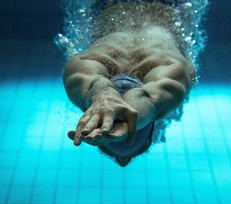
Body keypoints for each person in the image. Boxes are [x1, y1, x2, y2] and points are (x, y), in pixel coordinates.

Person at [62, 1, 195, 166]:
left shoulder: (174, 70)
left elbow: (148, 99)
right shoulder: (84, 65)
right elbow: (147, 99)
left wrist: (103, 93)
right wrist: (102, 94)